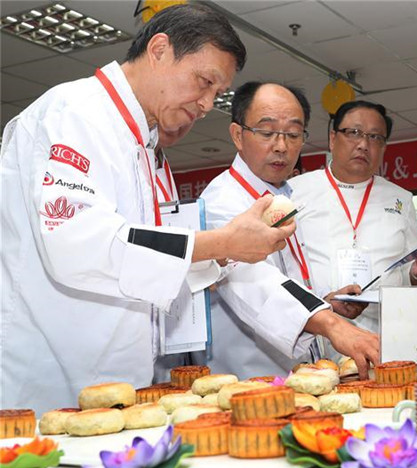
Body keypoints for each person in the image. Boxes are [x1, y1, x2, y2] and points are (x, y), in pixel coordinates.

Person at [0, 4, 294, 414]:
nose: (208, 103)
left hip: (120, 380)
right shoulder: (75, 113)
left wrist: (224, 251)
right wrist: (218, 241)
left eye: (217, 92)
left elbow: (142, 261)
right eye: (204, 82)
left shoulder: (143, 146)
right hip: (54, 382)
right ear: (159, 50)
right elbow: (80, 244)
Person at [200, 82, 379, 379]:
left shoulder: (284, 196)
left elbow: (287, 278)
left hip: (296, 372)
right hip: (247, 376)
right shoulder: (221, 201)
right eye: (267, 132)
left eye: (293, 134)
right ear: (237, 135)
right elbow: (255, 282)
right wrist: (330, 324)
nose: (281, 146)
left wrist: (325, 302)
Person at [290, 101, 417, 336]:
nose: (363, 144)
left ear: (383, 148)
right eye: (354, 133)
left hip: (386, 332)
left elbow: (409, 273)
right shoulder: (295, 192)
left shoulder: (400, 199)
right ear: (332, 138)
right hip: (318, 332)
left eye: (375, 137)